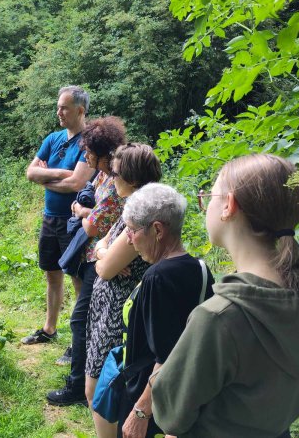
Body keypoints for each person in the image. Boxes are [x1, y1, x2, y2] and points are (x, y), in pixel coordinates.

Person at [152, 154, 299, 438]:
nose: (206, 206)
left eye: (209, 197)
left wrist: (159, 376)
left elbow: (170, 413)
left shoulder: (219, 317)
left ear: (228, 205)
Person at [112, 183, 215, 438]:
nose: (128, 238)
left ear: (157, 230)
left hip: (152, 403)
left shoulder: (157, 278)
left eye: (132, 230)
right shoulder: (200, 268)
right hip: (186, 399)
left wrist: (140, 413)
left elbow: (166, 356)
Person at [46, 116, 127, 406]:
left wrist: (82, 212)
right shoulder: (102, 175)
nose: (86, 157)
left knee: (82, 320)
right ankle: (91, 378)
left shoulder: (116, 180)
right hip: (95, 255)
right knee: (90, 320)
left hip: (107, 260)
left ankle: (79, 386)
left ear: (103, 153)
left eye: (89, 152)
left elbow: (93, 226)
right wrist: (86, 211)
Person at [83, 144, 163, 435]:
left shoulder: (143, 214)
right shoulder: (132, 206)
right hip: (108, 309)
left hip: (117, 316)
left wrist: (102, 256)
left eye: (115, 173)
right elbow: (102, 243)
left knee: (100, 391)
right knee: (100, 388)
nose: (110, 177)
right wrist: (103, 252)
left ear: (132, 177)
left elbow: (104, 269)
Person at [23, 86, 96, 346]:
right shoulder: (53, 139)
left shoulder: (89, 142)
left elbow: (77, 183)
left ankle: (79, 342)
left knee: (77, 278)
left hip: (75, 222)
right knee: (52, 274)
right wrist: (59, 174)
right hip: (50, 218)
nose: (59, 112)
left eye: (64, 108)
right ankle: (49, 329)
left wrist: (44, 177)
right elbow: (30, 172)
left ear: (80, 110)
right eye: (58, 107)